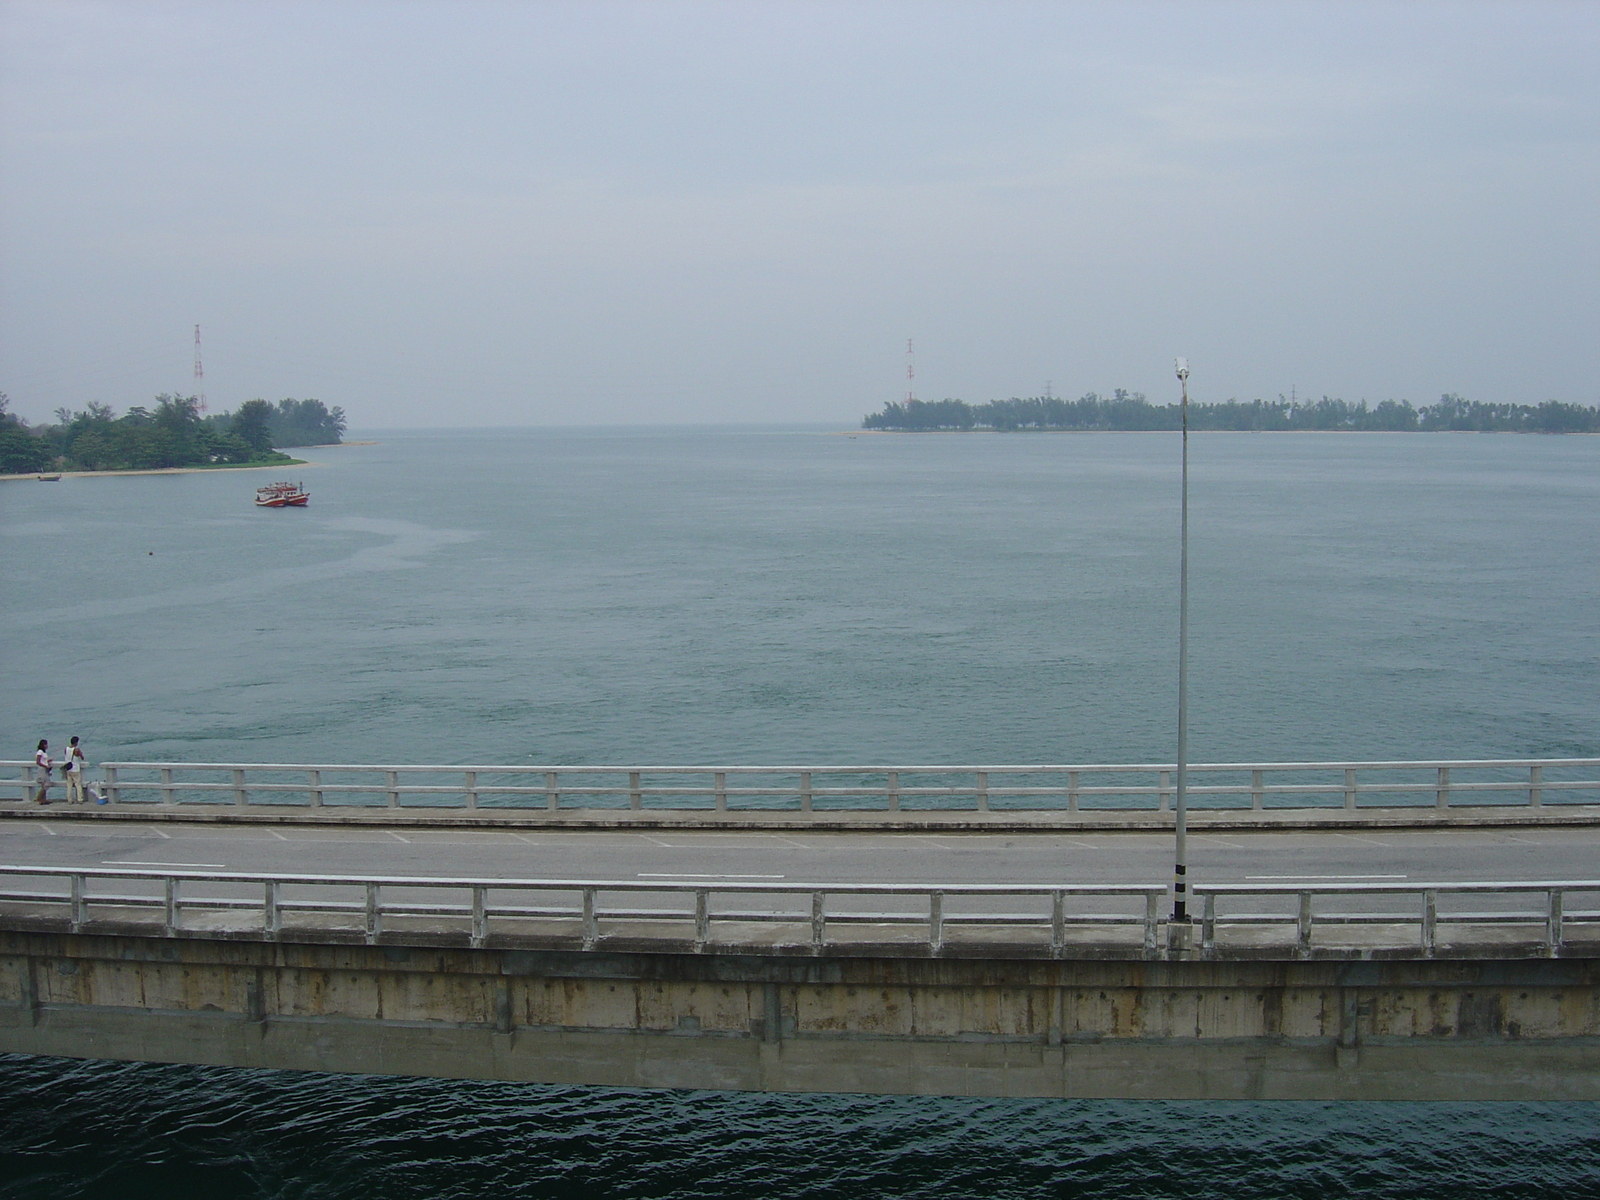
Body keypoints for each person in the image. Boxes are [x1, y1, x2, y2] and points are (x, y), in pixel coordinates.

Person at [61, 736, 86, 804]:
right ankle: (80, 799)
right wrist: (80, 753)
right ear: (76, 742)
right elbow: (82, 757)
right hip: (75, 769)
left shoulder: (66, 748)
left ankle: (70, 800)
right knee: (78, 784)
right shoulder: (77, 750)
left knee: (69, 785)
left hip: (68, 769)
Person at [33, 740, 52, 806]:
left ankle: (43, 800)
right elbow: (38, 762)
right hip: (42, 769)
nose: (47, 746)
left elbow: (43, 760)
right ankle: (39, 798)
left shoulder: (44, 752)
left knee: (45, 784)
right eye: (46, 744)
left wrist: (48, 761)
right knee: (46, 784)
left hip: (45, 769)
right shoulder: (40, 752)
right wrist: (45, 766)